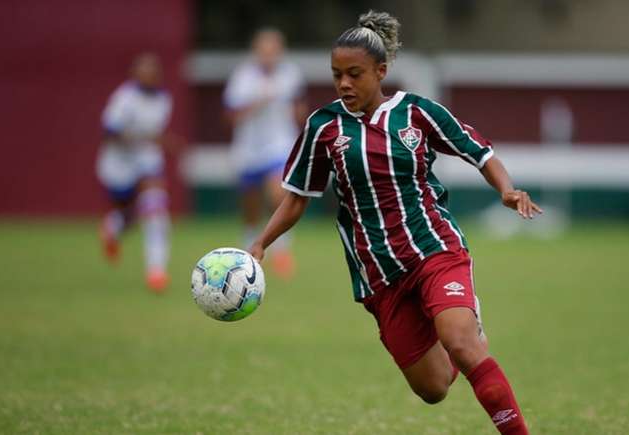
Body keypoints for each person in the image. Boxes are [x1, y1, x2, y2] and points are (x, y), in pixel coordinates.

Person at [250, 11, 541, 434]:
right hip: (379, 275)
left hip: (434, 248)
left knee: (463, 346)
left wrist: (506, 190)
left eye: (355, 74)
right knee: (434, 388)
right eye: (337, 76)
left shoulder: (417, 112)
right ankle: (456, 332)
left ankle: (471, 344)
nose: (345, 84)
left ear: (380, 71)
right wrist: (261, 243)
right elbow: (297, 199)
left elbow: (479, 152)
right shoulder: (323, 126)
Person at [224, 28, 306, 279]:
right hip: (248, 149)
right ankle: (249, 249)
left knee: (279, 192)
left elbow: (299, 106)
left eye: (274, 50)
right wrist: (257, 103)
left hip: (279, 145)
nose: (269, 56)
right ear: (256, 52)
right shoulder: (242, 77)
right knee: (251, 206)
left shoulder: (291, 74)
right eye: (265, 51)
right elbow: (230, 116)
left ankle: (281, 251)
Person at [97, 53, 177, 292]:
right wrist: (145, 138)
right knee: (130, 217)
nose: (151, 75)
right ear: (134, 74)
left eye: (154, 71)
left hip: (147, 162)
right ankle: (113, 227)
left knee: (156, 208)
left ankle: (156, 272)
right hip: (118, 165)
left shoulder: (164, 99)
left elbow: (155, 133)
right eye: (145, 70)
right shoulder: (124, 99)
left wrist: (164, 141)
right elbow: (110, 133)